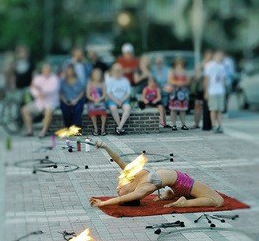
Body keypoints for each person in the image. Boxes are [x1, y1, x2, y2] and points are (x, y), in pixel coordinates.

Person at [89, 141, 224, 208]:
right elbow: (119, 200)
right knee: (218, 201)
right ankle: (184, 203)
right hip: (183, 183)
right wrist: (103, 203)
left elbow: (118, 160)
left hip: (177, 183)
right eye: (120, 192)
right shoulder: (141, 190)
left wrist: (105, 147)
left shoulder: (133, 176)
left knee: (210, 197)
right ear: (129, 196)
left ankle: (172, 194)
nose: (118, 189)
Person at [21, 63, 60, 138]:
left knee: (48, 111)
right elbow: (32, 89)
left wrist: (41, 90)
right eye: (45, 70)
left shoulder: (54, 78)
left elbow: (52, 89)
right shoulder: (37, 78)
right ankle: (29, 130)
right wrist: (37, 94)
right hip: (39, 102)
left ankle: (43, 131)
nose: (46, 71)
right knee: (24, 110)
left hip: (51, 102)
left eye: (48, 70)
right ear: (42, 70)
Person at [106, 63, 132, 135]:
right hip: (113, 100)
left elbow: (128, 93)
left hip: (124, 99)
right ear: (113, 71)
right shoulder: (110, 80)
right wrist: (116, 101)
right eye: (116, 70)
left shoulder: (125, 80)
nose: (117, 72)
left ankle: (119, 127)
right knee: (113, 108)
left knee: (128, 108)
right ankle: (120, 127)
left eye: (119, 70)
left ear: (122, 71)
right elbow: (109, 93)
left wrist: (122, 100)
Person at [204, 50, 226, 134]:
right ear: (215, 56)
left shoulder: (222, 66)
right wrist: (206, 91)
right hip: (212, 90)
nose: (220, 57)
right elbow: (207, 79)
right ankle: (213, 125)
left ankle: (220, 125)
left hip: (220, 91)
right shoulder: (209, 65)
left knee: (219, 110)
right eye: (218, 55)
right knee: (213, 109)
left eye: (221, 56)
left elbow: (223, 80)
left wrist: (223, 91)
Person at [59, 64, 86, 129]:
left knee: (78, 109)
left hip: (77, 99)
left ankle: (76, 128)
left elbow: (82, 92)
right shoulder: (62, 81)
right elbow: (60, 92)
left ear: (73, 71)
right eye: (68, 71)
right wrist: (64, 100)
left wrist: (76, 100)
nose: (69, 73)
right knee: (65, 110)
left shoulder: (78, 81)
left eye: (71, 71)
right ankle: (68, 127)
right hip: (65, 100)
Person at [168, 56, 190, 131]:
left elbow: (188, 81)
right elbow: (170, 80)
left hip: (183, 92)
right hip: (175, 91)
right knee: (173, 109)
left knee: (183, 109)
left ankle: (183, 124)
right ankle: (174, 124)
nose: (180, 63)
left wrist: (181, 83)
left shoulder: (185, 71)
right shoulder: (172, 71)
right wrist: (180, 83)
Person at [193, 50, 213, 129]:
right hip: (200, 87)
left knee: (209, 106)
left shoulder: (213, 65)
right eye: (208, 56)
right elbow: (196, 76)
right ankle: (196, 123)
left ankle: (210, 123)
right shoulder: (201, 64)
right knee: (198, 105)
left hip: (210, 88)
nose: (209, 57)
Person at [86, 68, 107, 136]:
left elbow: (104, 95)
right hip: (92, 101)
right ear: (92, 75)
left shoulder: (102, 84)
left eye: (98, 74)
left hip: (101, 101)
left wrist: (99, 99)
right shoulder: (89, 84)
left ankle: (102, 128)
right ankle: (96, 128)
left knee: (103, 110)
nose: (97, 76)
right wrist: (94, 100)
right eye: (95, 74)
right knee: (92, 110)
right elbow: (88, 95)